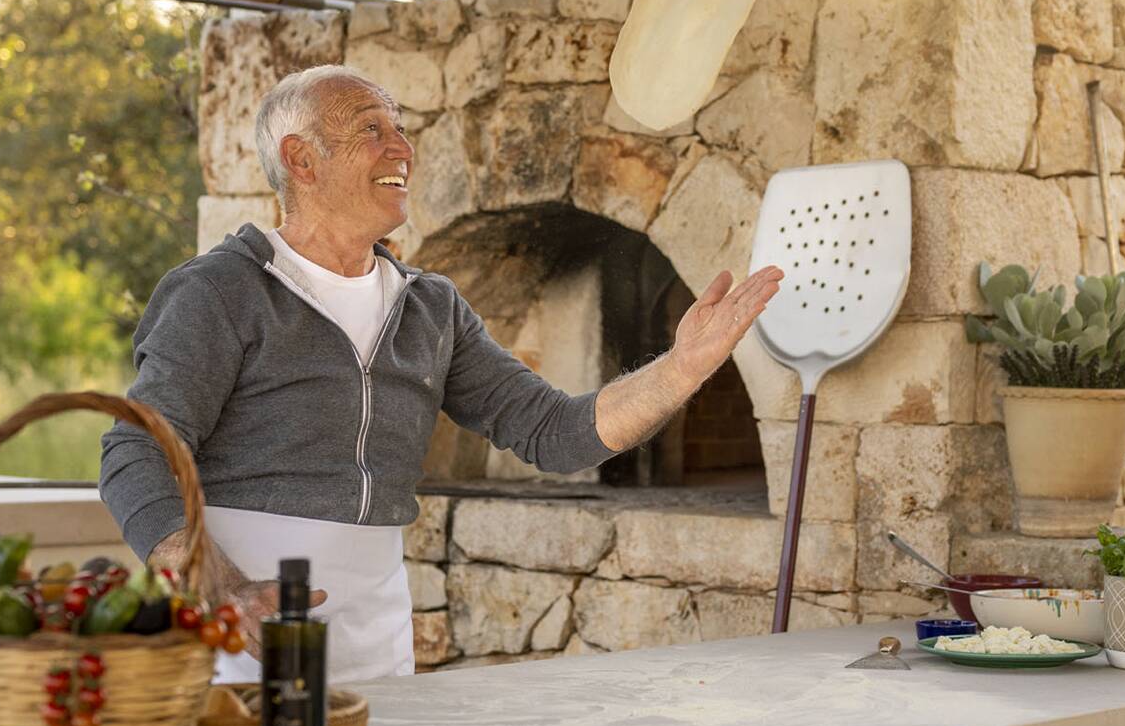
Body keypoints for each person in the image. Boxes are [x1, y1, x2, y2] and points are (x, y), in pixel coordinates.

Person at [98, 65, 783, 683]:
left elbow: (555, 432)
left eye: (402, 129)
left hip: (376, 633)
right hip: (235, 636)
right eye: (372, 130)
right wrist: (223, 589)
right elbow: (136, 451)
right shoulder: (220, 291)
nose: (402, 149)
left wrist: (682, 369)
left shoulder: (430, 307)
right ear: (301, 159)